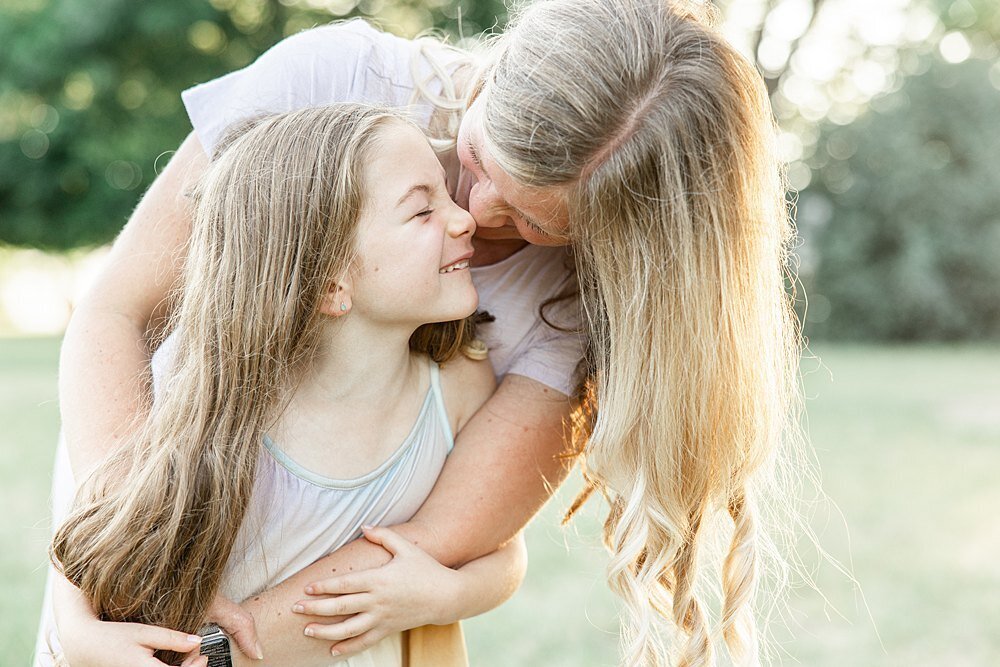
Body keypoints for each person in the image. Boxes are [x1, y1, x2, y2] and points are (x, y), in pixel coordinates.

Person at [48, 0, 804, 665]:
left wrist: (201, 655)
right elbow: (113, 313)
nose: (471, 213)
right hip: (135, 513)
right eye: (476, 159)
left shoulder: (579, 306)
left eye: (533, 220)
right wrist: (125, 574)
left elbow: (439, 543)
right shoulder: (335, 79)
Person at [41, 103, 531, 667]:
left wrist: (447, 594)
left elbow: (499, 543)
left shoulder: (458, 382)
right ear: (330, 283)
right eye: (422, 211)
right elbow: (99, 531)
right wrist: (74, 625)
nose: (464, 217)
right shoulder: (215, 403)